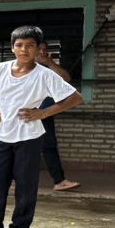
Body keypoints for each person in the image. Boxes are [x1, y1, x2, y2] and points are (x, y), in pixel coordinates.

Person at [0, 26, 83, 228]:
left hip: (29, 138)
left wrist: (43, 113)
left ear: (38, 49)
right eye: (19, 45)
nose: (23, 49)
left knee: (25, 188)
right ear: (12, 47)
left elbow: (75, 98)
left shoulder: (44, 75)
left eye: (29, 45)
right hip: (2, 137)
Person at [36, 41, 80, 192]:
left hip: (44, 113)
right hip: (26, 114)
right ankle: (10, 180)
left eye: (44, 49)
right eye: (39, 49)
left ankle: (59, 181)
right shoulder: (24, 68)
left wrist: (49, 62)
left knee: (49, 146)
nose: (42, 52)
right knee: (20, 147)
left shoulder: (48, 68)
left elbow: (66, 78)